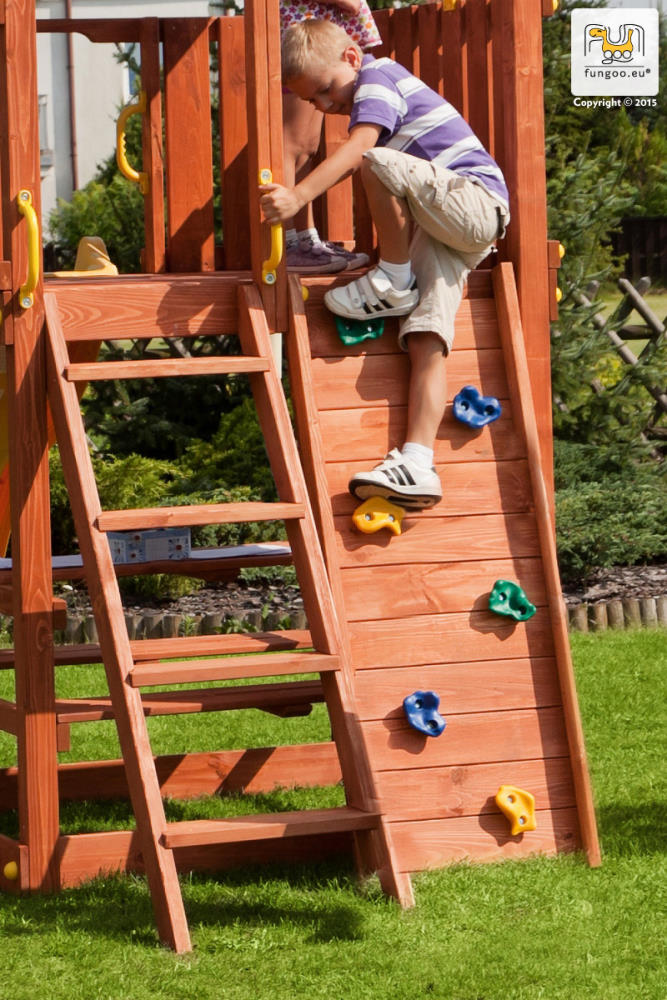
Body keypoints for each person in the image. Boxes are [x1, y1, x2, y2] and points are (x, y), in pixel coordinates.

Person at [260, 18, 509, 508]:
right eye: (314, 102)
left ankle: (392, 281)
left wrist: (297, 199)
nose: (326, 106)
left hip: (477, 202)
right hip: (447, 229)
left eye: (327, 91)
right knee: (426, 334)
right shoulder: (360, 85)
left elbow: (361, 150)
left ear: (352, 58)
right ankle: (419, 462)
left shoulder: (381, 77)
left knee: (373, 160)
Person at [280, 0, 381, 274]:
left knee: (306, 147)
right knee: (292, 145)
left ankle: (305, 239)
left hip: (310, 31)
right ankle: (285, 245)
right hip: (302, 39)